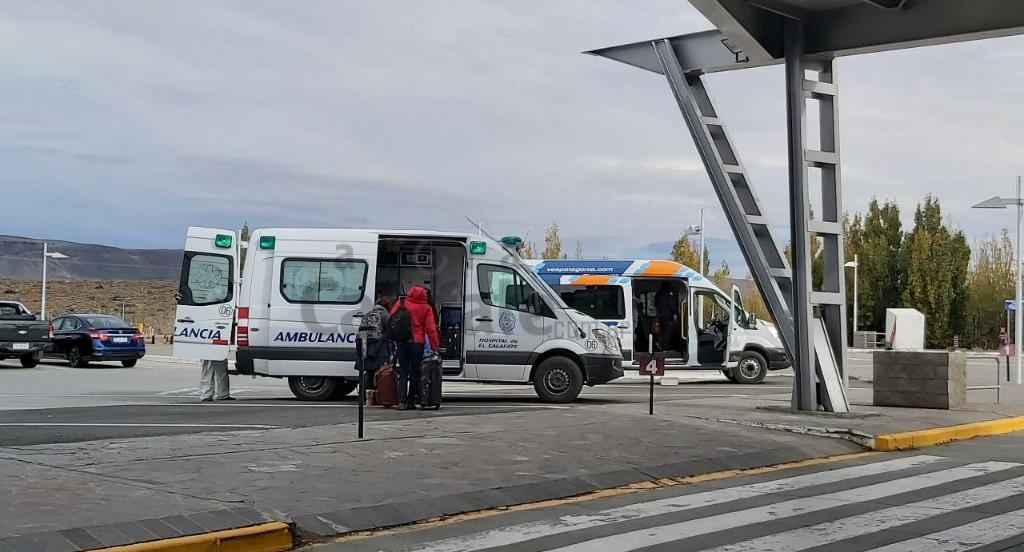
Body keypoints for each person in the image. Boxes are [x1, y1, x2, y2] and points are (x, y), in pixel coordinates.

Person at [390, 286, 440, 410]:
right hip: (417, 343)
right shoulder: (426, 308)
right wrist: (435, 347)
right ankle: (411, 401)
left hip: (402, 342)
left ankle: (402, 401)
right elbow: (431, 330)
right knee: (415, 372)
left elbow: (391, 319)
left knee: (403, 371)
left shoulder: (401, 303)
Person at [361, 295, 392, 399]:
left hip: (365, 343)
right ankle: (379, 396)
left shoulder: (368, 313)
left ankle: (367, 396)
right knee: (379, 371)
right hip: (378, 344)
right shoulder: (384, 314)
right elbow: (389, 330)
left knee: (369, 370)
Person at [654, 281, 678, 352]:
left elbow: (655, 304)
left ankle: (660, 343)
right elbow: (672, 304)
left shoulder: (658, 294)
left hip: (660, 315)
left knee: (663, 331)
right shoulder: (669, 294)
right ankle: (665, 348)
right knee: (668, 332)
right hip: (668, 315)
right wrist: (675, 313)